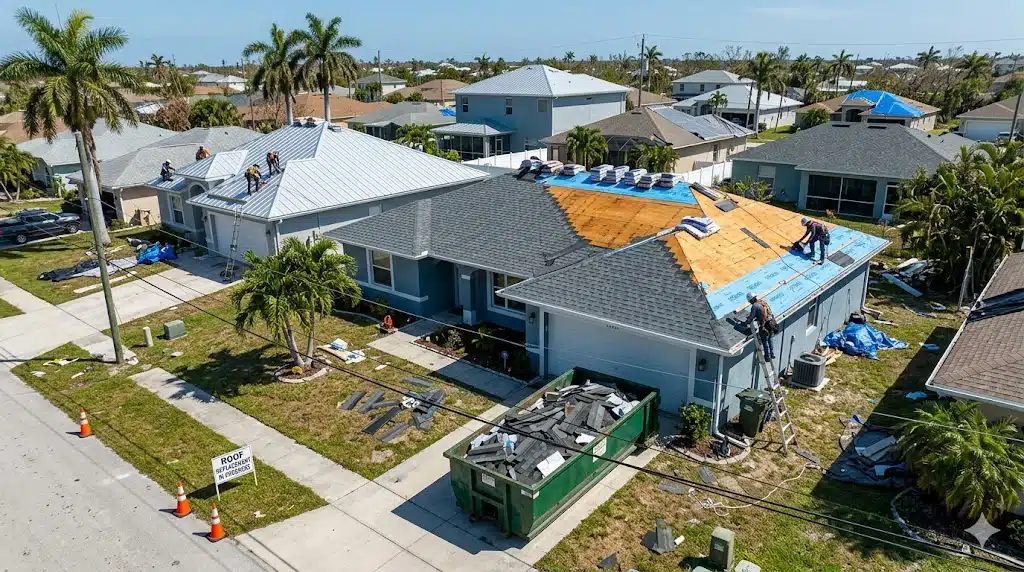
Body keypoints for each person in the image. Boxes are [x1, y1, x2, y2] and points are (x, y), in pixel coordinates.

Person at [746, 292, 776, 361]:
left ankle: (767, 357)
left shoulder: (755, 306)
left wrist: (746, 322)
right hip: (771, 323)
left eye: (750, 301)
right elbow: (764, 313)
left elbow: (751, 317)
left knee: (765, 341)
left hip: (764, 326)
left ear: (751, 300)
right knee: (770, 339)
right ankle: (772, 354)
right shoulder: (762, 302)